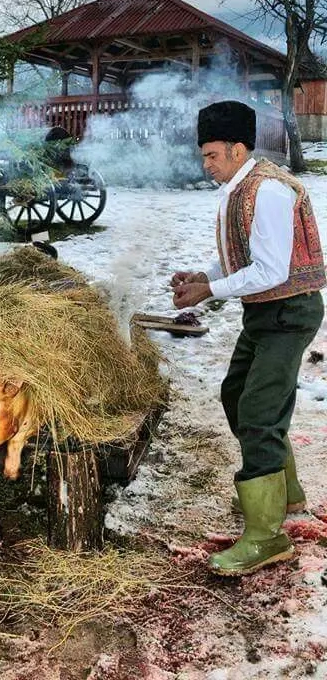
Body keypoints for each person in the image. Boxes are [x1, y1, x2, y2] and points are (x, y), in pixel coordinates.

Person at [171, 100, 325, 577]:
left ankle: (266, 536)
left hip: (290, 312)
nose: (206, 164)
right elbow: (243, 257)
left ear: (237, 150)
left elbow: (271, 270)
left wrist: (210, 290)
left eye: (212, 155)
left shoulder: (269, 191)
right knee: (237, 394)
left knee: (258, 412)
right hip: (265, 312)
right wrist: (206, 275)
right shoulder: (239, 188)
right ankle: (285, 494)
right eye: (203, 155)